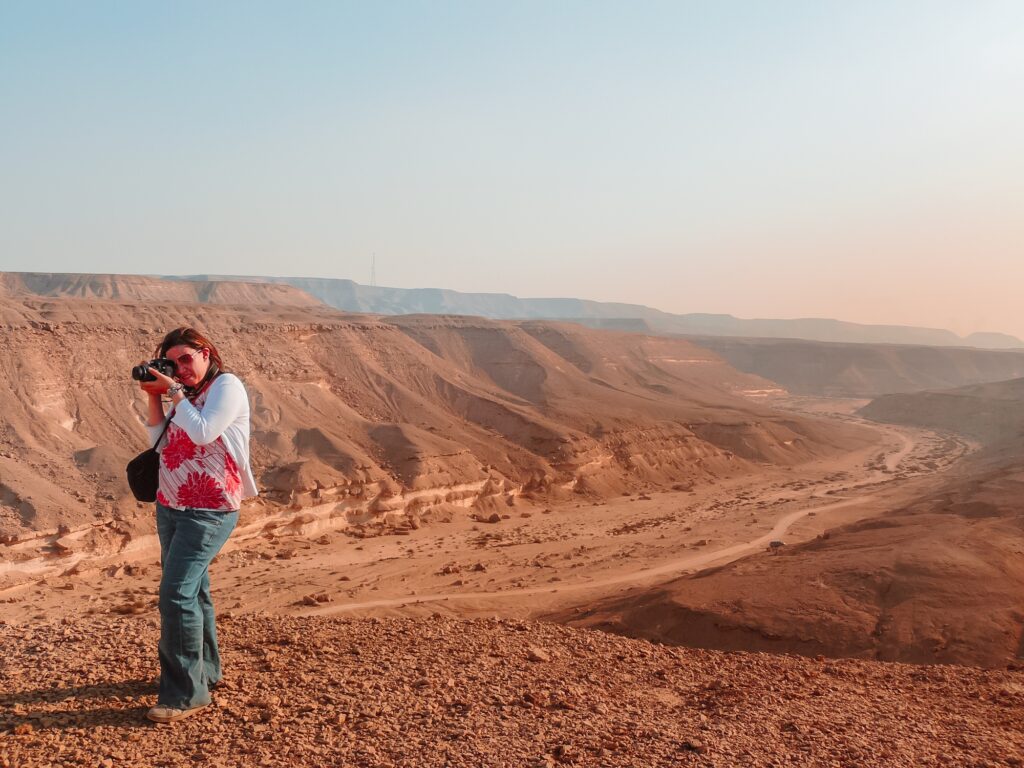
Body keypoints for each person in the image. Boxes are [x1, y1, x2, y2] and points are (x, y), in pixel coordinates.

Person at [137, 327, 258, 724]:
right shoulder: (182, 395)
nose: (181, 369)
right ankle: (204, 672)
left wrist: (173, 391)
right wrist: (157, 398)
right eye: (172, 363)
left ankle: (186, 694)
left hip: (210, 508)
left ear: (206, 353)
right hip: (170, 502)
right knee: (195, 590)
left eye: (186, 359)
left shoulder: (227, 386)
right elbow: (161, 437)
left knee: (175, 595)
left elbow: (205, 431)